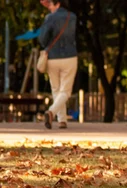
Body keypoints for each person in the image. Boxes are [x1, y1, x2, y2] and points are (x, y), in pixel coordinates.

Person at [38, 0, 77, 130]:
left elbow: (43, 39)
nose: (49, 7)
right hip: (70, 57)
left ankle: (57, 116)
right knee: (65, 91)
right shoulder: (72, 17)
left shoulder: (50, 18)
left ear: (57, 3)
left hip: (53, 57)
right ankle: (58, 117)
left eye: (50, 5)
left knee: (56, 89)